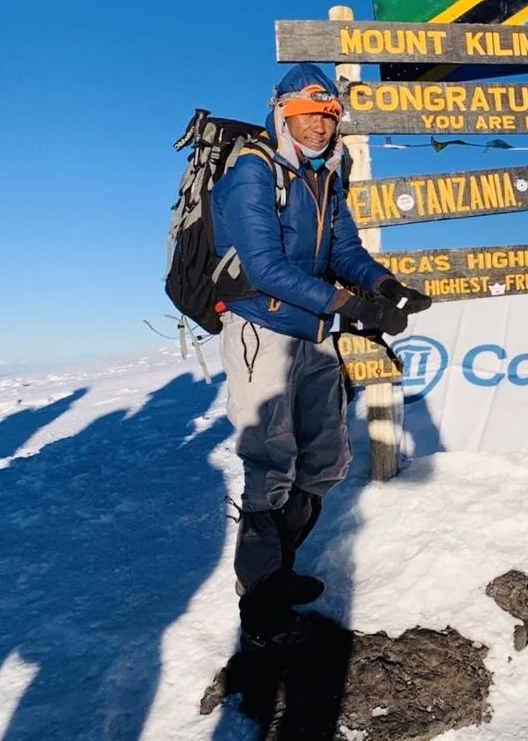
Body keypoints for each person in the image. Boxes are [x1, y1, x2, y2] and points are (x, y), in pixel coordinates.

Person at [211, 63, 430, 653]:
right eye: (309, 113)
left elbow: (344, 247)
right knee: (271, 465)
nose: (321, 125)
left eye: (330, 114)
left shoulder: (327, 175)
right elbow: (264, 268)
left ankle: (278, 570)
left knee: (327, 459)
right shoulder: (252, 173)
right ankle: (259, 602)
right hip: (262, 331)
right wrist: (350, 307)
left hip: (314, 333)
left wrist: (383, 286)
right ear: (282, 111)